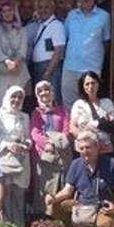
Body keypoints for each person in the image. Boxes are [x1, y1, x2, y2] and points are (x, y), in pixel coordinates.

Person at [45, 129, 114, 227]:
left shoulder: (112, 164)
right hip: (81, 203)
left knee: (105, 226)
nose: (84, 151)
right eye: (81, 148)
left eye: (88, 147)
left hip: (103, 206)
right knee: (56, 205)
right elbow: (67, 191)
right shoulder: (75, 164)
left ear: (97, 146)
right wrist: (53, 198)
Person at [60, 0, 111, 107]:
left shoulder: (104, 16)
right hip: (70, 66)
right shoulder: (71, 15)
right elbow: (66, 38)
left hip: (91, 66)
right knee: (68, 102)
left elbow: (106, 42)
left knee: (90, 101)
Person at [30, 79, 72, 216]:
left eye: (46, 89)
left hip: (61, 152)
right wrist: (46, 144)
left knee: (61, 183)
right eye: (40, 91)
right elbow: (35, 133)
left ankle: (60, 216)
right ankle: (42, 217)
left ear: (52, 92)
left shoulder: (62, 110)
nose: (44, 93)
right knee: (43, 185)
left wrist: (56, 144)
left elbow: (66, 130)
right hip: (43, 155)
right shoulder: (36, 113)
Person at [0, 85, 31, 227]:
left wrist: (27, 144)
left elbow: (27, 137)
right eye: (13, 96)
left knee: (19, 194)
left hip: (21, 158)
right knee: (4, 193)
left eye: (20, 97)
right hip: (4, 157)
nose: (16, 100)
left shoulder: (24, 116)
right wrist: (7, 145)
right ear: (8, 96)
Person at [0, 0, 29, 107]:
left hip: (17, 70)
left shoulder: (22, 30)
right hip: (1, 70)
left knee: (16, 102)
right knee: (0, 102)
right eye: (4, 11)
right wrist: (7, 62)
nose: (7, 13)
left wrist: (15, 63)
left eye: (9, 10)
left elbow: (23, 50)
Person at [27, 0, 67, 105]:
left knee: (52, 98)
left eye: (46, 7)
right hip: (39, 67)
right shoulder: (40, 24)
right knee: (42, 100)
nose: (43, 10)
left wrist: (48, 72)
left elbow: (59, 50)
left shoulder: (56, 25)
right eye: (40, 7)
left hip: (50, 67)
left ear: (52, 8)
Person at [68, 70, 114, 156]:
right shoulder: (78, 104)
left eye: (93, 83)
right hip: (85, 150)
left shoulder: (107, 102)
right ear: (83, 86)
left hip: (105, 148)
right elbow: (72, 127)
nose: (90, 86)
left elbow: (113, 125)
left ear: (98, 84)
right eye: (87, 84)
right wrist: (88, 142)